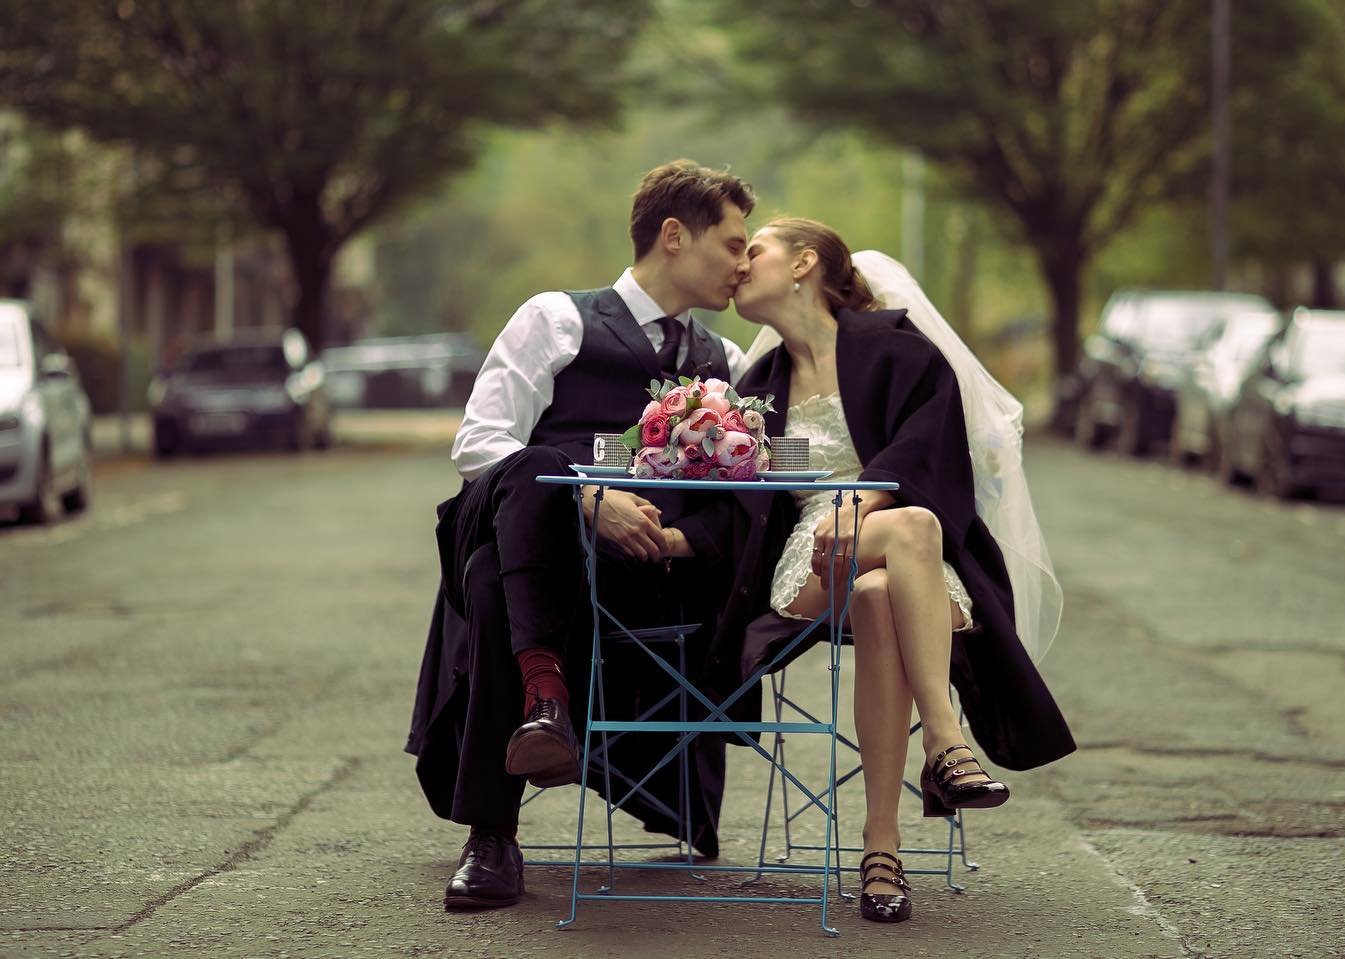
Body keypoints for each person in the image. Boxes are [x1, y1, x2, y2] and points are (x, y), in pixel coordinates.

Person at [405, 160, 755, 911]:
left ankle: (509, 793)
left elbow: (748, 488)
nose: (743, 263)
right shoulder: (555, 318)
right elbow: (478, 443)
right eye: (732, 244)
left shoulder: (724, 362)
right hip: (534, 547)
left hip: (648, 580)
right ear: (672, 236)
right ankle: (510, 785)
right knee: (527, 486)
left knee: (501, 576)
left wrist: (674, 540)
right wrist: (588, 498)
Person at [720, 217, 1074, 924]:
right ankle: (946, 738)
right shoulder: (754, 384)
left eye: (752, 249)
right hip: (813, 561)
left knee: (887, 582)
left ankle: (881, 849)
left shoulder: (899, 351)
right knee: (910, 530)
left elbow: (933, 454)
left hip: (904, 565)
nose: (738, 264)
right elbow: (744, 502)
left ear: (803, 263)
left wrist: (863, 498)